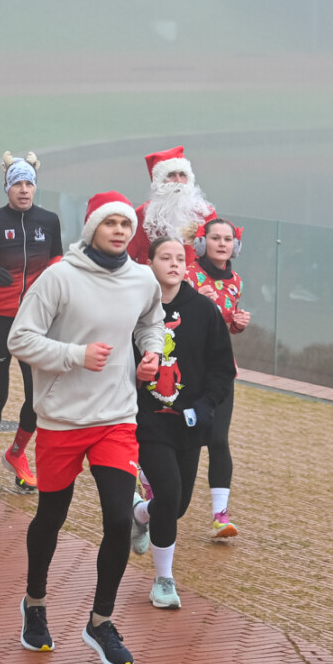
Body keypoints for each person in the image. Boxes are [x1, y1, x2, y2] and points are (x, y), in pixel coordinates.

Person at [7, 191, 166, 664]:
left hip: (116, 418)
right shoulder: (60, 277)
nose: (119, 231)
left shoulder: (142, 279)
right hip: (62, 418)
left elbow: (151, 322)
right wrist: (76, 356)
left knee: (118, 520)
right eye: (110, 223)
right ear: (92, 227)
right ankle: (35, 603)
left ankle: (101, 621)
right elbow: (20, 338)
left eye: (126, 224)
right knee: (51, 517)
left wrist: (151, 353)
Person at [129, 237, 237, 612]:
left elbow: (222, 368)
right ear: (150, 263)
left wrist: (206, 406)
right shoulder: (134, 306)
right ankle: (164, 580)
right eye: (165, 257)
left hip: (190, 423)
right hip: (147, 420)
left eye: (180, 258)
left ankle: (140, 513)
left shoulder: (204, 310)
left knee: (176, 507)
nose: (174, 263)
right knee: (170, 491)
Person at [0, 153, 63, 492]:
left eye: (29, 183)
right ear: (7, 187)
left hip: (35, 320)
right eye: (17, 184)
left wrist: (55, 276)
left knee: (39, 397)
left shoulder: (49, 220)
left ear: (35, 187)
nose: (24, 189)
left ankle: (17, 453)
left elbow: (57, 258)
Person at [185, 218, 251, 538]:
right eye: (215, 238)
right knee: (185, 442)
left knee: (219, 440)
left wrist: (237, 323)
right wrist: (197, 301)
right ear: (202, 243)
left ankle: (220, 516)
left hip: (222, 371)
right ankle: (155, 493)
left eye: (228, 239)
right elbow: (173, 319)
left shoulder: (236, 280)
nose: (222, 244)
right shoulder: (187, 275)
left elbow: (223, 326)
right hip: (187, 370)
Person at [128, 145, 216, 266]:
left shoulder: (205, 213)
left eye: (182, 174)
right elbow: (126, 259)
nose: (178, 181)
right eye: (171, 175)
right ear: (158, 182)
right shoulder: (140, 216)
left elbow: (216, 256)